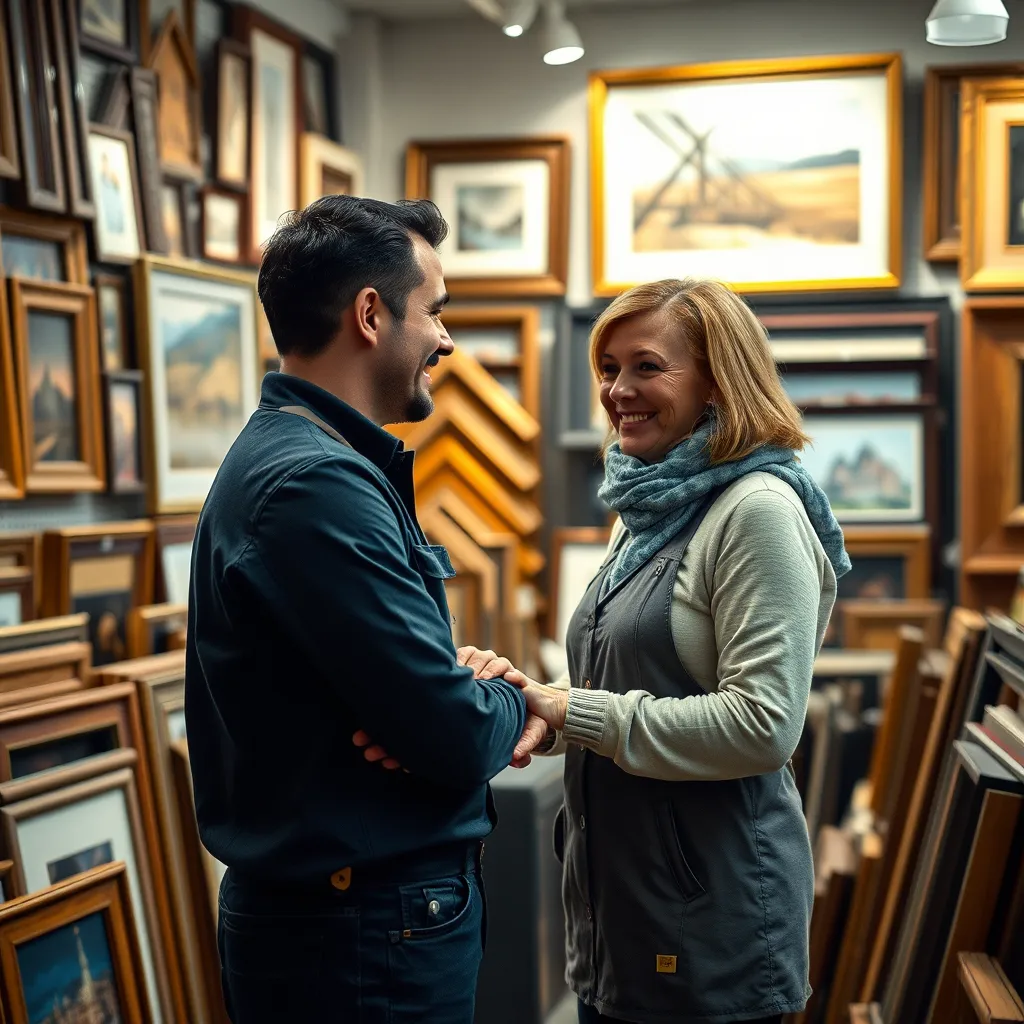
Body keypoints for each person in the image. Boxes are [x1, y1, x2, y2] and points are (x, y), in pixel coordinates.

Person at [184, 195, 545, 1024]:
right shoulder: (316, 484)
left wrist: (447, 692)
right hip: (361, 933)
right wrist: (509, 698)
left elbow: (423, 702)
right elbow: (452, 733)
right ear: (372, 314)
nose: (447, 339)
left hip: (349, 922)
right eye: (437, 311)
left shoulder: (307, 462)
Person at [459, 278, 850, 1023]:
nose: (617, 390)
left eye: (647, 366)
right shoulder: (649, 503)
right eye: (608, 367)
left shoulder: (756, 512)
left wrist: (576, 711)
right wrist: (535, 705)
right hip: (621, 919)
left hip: (710, 930)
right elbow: (626, 680)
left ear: (715, 380)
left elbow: (763, 726)